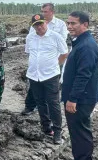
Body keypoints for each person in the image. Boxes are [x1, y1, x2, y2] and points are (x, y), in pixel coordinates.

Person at [61, 11, 98, 160]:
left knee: (81, 132)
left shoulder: (87, 46)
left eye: (74, 23)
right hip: (78, 97)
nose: (69, 26)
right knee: (75, 131)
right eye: (68, 23)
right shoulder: (80, 42)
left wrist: (73, 98)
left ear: (85, 25)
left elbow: (84, 75)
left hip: (81, 99)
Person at [25, 14, 68, 144]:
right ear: (33, 27)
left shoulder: (55, 36)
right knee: (40, 103)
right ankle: (46, 127)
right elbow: (28, 53)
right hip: (34, 75)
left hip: (50, 76)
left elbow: (64, 53)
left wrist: (55, 64)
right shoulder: (30, 37)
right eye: (36, 25)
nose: (39, 27)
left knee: (53, 103)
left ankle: (57, 132)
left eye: (41, 24)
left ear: (46, 23)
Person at [22, 3, 68, 115]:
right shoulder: (36, 25)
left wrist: (56, 63)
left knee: (53, 87)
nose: (43, 13)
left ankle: (50, 108)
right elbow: (31, 41)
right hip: (38, 60)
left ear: (52, 12)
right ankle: (30, 106)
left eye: (45, 11)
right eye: (42, 11)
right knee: (34, 84)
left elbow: (62, 45)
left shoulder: (60, 25)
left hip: (55, 59)